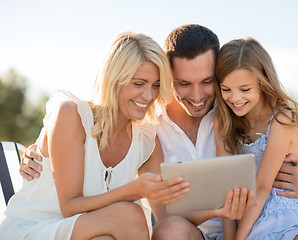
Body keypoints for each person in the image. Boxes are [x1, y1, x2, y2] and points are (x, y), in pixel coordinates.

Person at [20, 24, 298, 240]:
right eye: (183, 84)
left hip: (248, 230)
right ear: (167, 77)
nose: (198, 95)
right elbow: (163, 216)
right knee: (168, 229)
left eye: (207, 81)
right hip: (188, 234)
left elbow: (273, 142)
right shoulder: (149, 126)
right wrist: (38, 150)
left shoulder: (233, 113)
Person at [0, 32, 191, 240]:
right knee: (129, 214)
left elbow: (166, 216)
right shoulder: (71, 115)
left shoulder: (145, 137)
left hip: (90, 231)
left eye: (155, 85)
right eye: (138, 84)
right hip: (34, 229)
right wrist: (133, 191)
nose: (149, 96)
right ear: (113, 80)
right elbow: (70, 207)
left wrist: (219, 211)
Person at [214, 37, 298, 239]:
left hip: (284, 214)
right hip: (245, 218)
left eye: (245, 89)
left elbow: (262, 186)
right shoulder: (222, 122)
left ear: (263, 82)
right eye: (226, 89)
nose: (235, 98)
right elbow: (226, 186)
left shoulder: (281, 120)